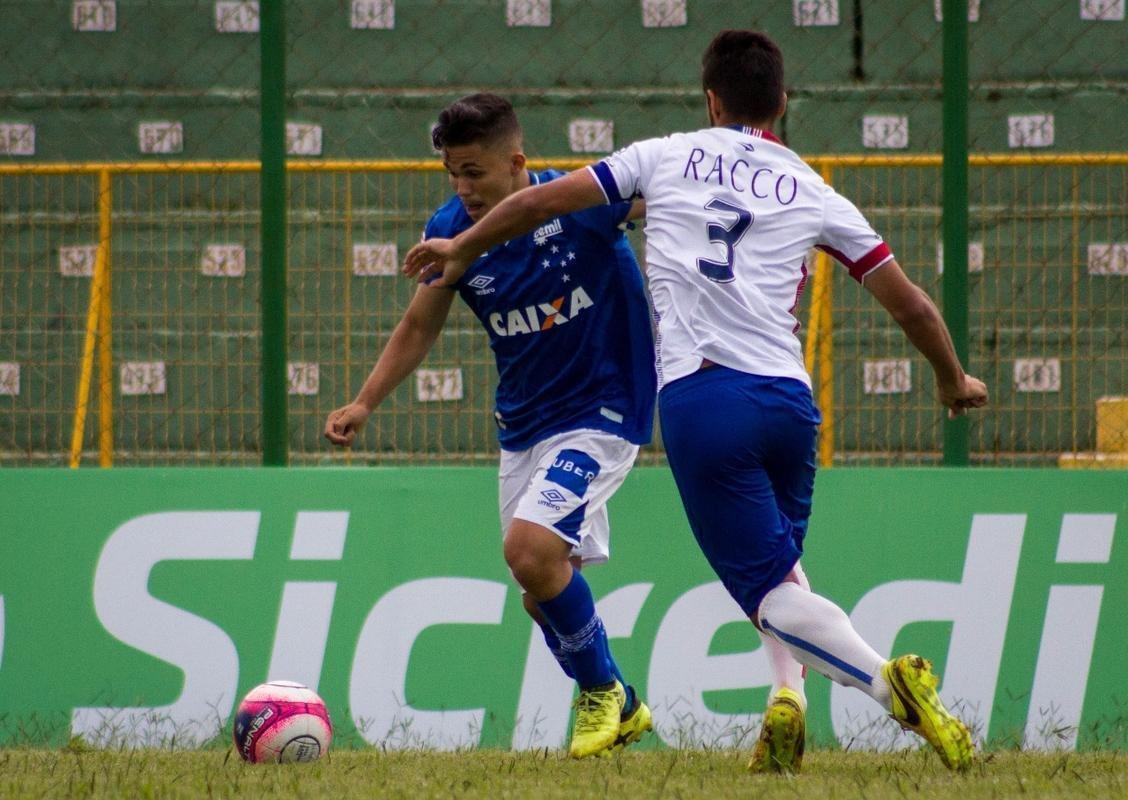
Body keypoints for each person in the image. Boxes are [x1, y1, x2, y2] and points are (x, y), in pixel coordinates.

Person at [404, 32, 989, 773]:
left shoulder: (664, 154)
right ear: (781, 104)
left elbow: (544, 199)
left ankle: (887, 684)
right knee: (779, 568)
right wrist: (950, 378)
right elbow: (907, 303)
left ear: (711, 100)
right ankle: (789, 697)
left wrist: (463, 247)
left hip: (706, 402)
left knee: (768, 593)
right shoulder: (815, 188)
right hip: (790, 404)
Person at [325, 93, 657, 759]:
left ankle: (600, 696)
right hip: (525, 425)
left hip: (604, 408)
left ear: (517, 162)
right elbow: (420, 324)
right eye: (452, 172)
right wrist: (364, 402)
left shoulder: (578, 202)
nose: (462, 188)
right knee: (543, 593)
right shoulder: (451, 227)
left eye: (474, 172)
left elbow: (668, 199)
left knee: (531, 553)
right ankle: (623, 701)